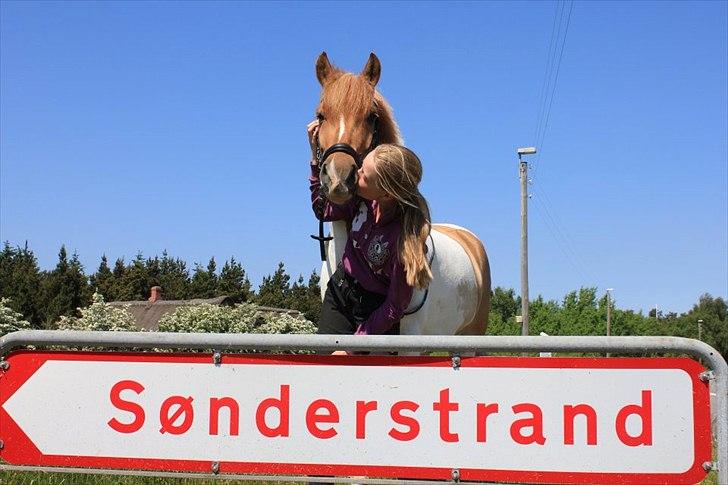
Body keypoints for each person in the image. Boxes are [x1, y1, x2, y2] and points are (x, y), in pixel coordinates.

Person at [307, 120, 433, 342]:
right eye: (361, 166)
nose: (356, 175)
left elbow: (395, 306)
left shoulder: (402, 241)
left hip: (374, 313)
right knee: (324, 365)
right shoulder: (361, 201)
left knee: (367, 374)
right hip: (340, 292)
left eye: (364, 175)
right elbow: (323, 210)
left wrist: (357, 344)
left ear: (386, 194)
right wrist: (316, 158)